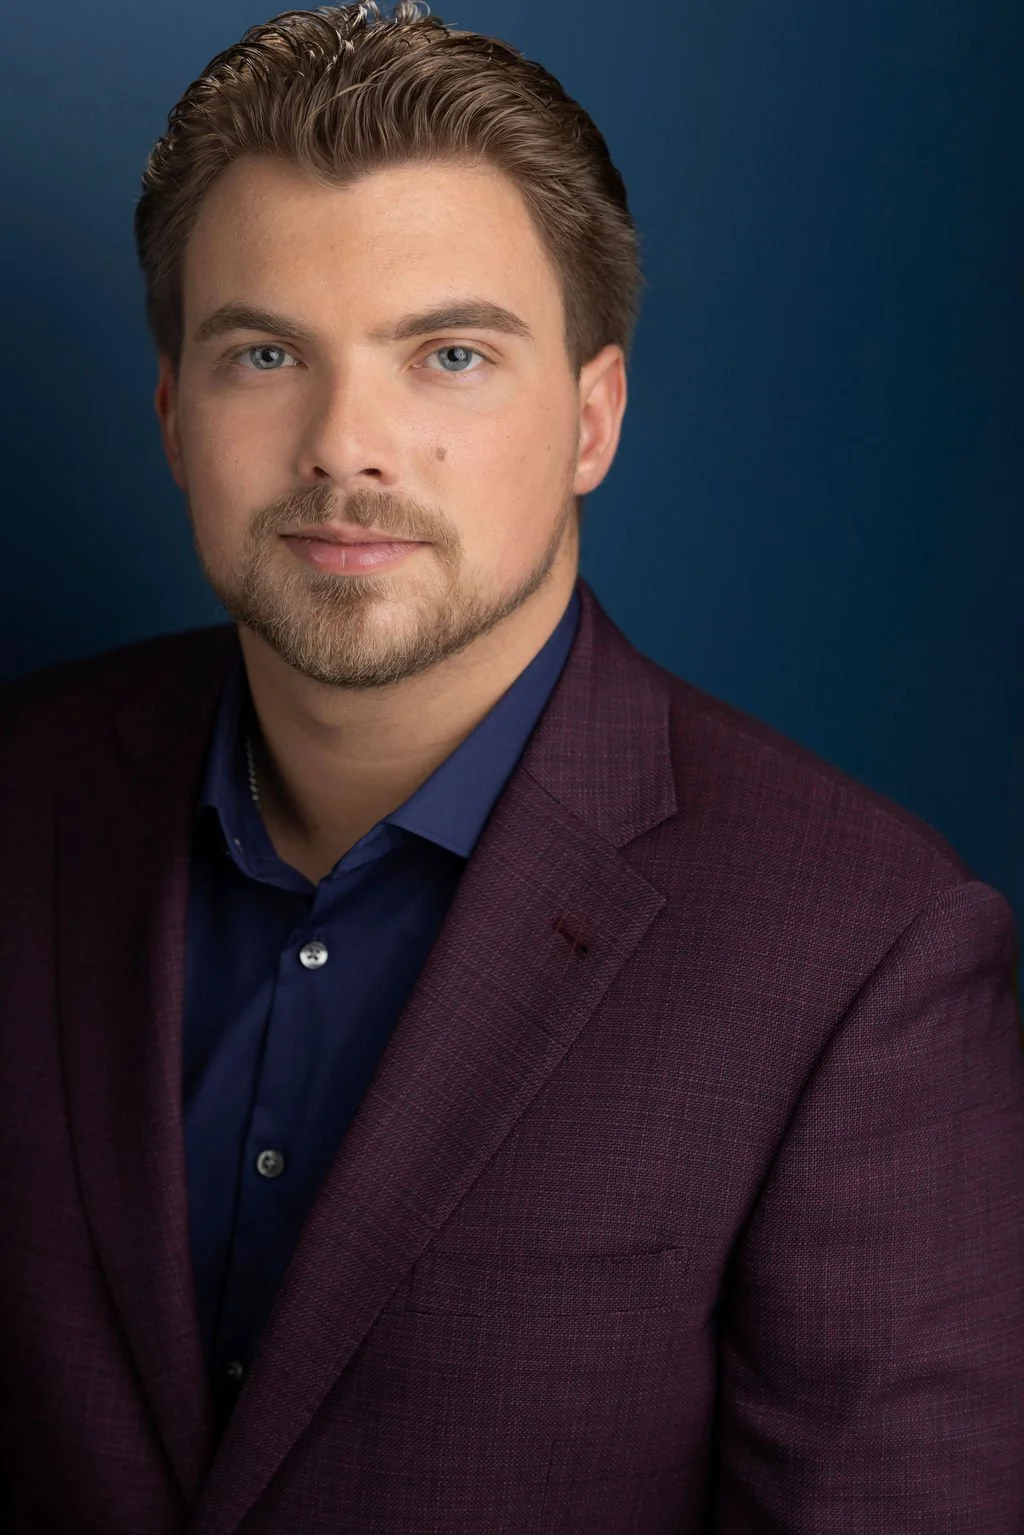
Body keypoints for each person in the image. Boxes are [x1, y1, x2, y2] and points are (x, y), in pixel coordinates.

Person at [1, 2, 1021, 1530]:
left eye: (451, 355)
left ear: (593, 419)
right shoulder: (17, 798)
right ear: (172, 414)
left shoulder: (860, 950)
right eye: (266, 351)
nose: (348, 444)